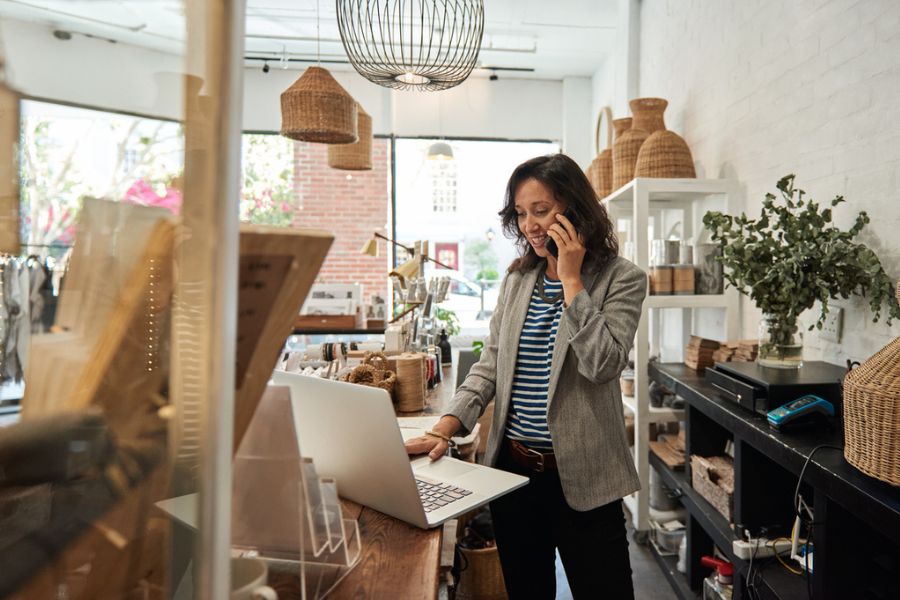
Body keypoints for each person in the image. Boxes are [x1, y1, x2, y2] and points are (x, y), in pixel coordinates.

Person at [405, 153, 647, 599]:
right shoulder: (518, 281)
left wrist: (571, 282)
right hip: (514, 477)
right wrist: (446, 426)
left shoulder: (622, 278)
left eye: (541, 210)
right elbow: (490, 366)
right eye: (520, 213)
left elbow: (604, 364)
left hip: (587, 479)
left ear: (574, 210)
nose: (530, 225)